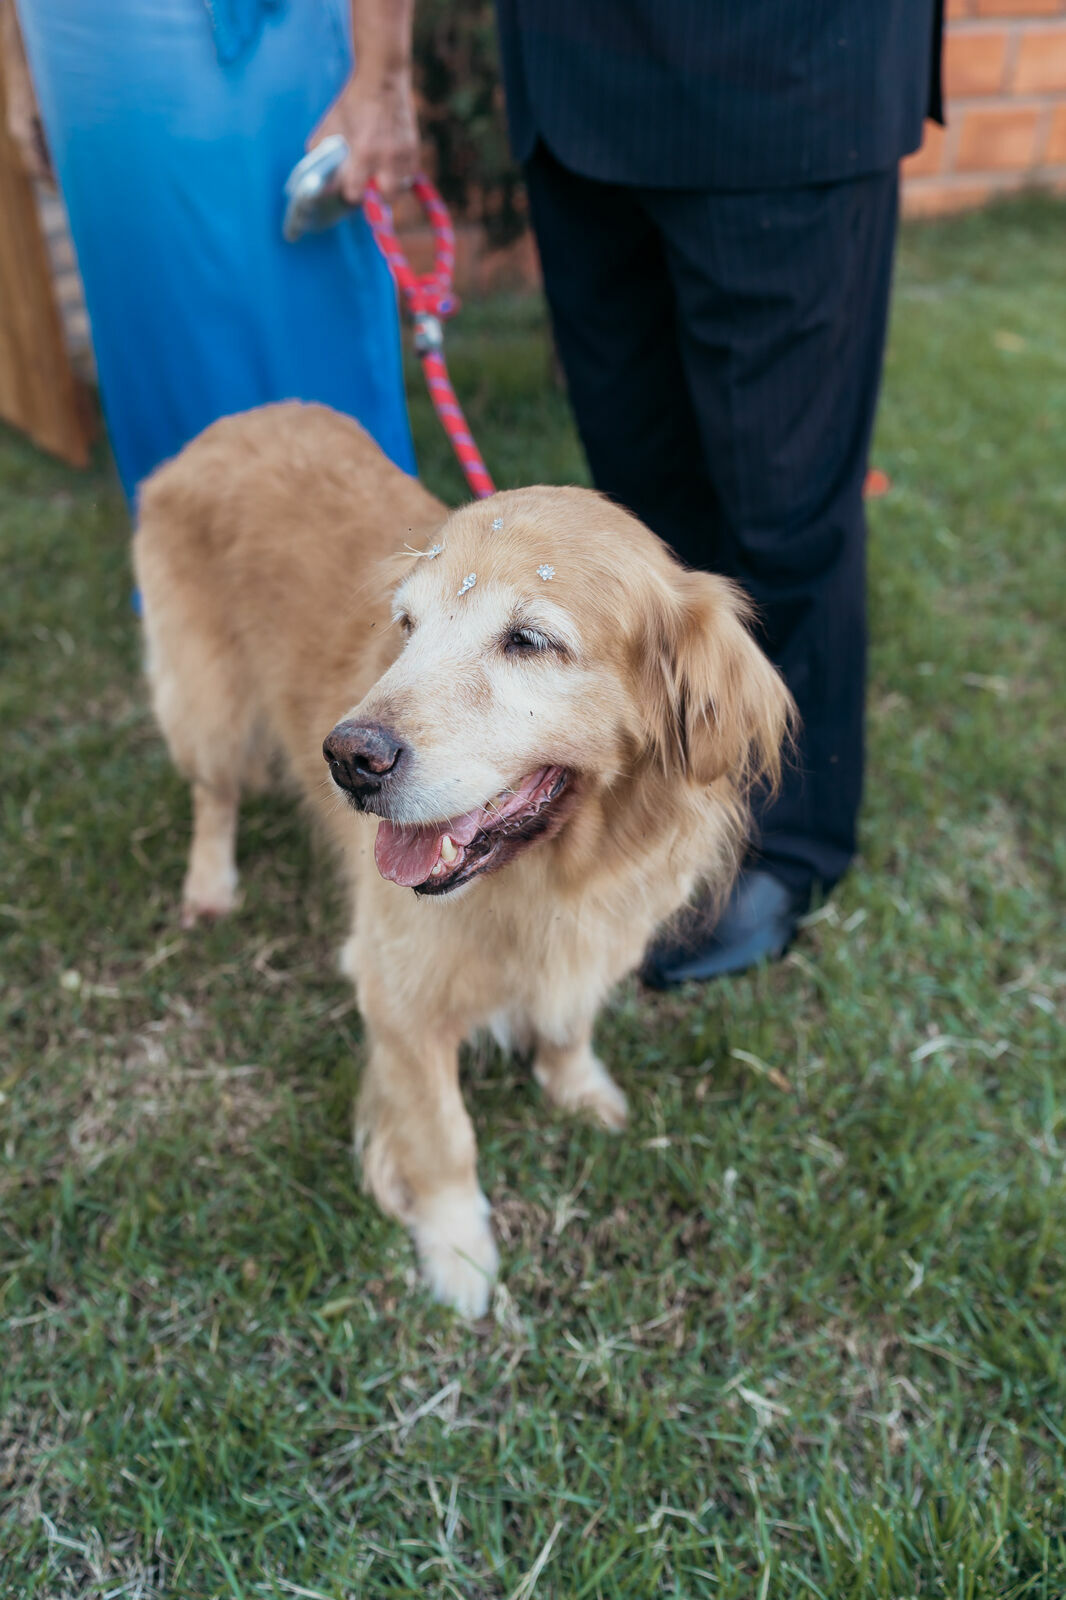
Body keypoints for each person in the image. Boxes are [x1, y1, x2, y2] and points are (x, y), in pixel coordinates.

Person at [491, 1, 944, 984]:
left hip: (785, 67)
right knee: (640, 496)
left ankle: (789, 840)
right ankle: (667, 786)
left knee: (784, 506)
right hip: (567, 71)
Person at [11, 0, 418, 503]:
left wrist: (382, 78)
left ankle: (357, 561)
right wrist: (16, 58)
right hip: (78, 38)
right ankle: (191, 571)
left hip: (247, 30)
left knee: (306, 343)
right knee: (155, 352)